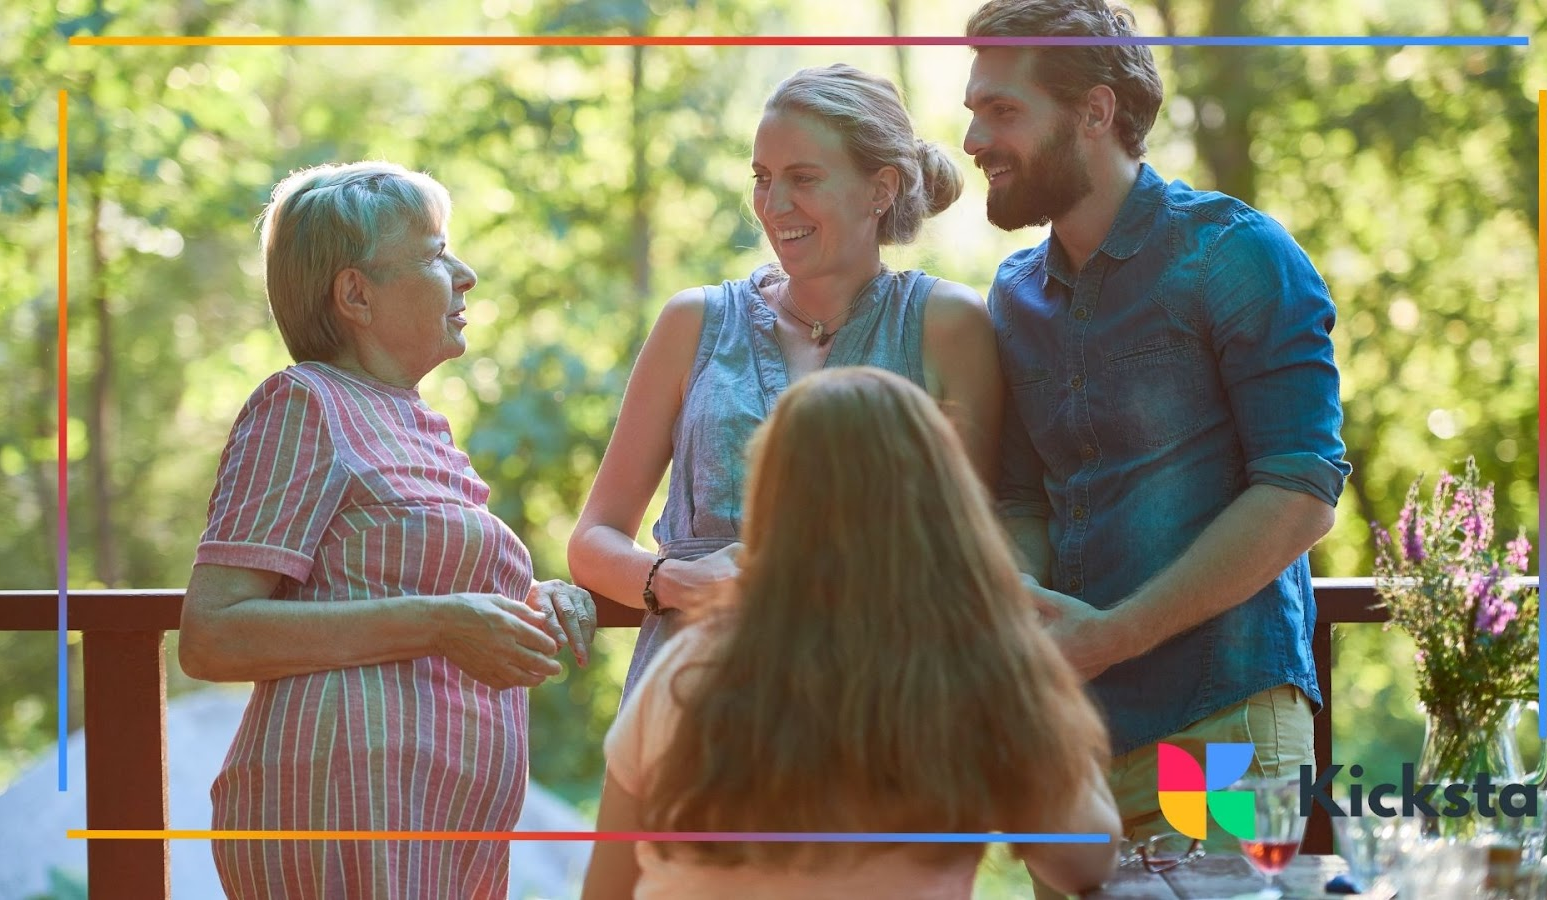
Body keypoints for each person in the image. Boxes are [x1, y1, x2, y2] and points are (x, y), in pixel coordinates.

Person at [962, 0, 1352, 876]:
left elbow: (1300, 491)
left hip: (1220, 730)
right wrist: (1026, 612)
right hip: (1070, 749)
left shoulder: (1237, 254)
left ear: (1095, 112)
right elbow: (1022, 495)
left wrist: (1114, 634)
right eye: (974, 110)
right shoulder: (1014, 294)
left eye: (1003, 110)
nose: (976, 136)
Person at [179, 161, 597, 899]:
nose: (464, 275)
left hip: (437, 831)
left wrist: (537, 595)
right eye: (437, 255)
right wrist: (436, 624)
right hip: (345, 819)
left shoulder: (412, 422)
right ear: (355, 294)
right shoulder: (303, 404)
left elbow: (406, 578)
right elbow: (213, 633)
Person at [580, 366, 1120, 899]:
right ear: (942, 505)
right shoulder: (980, 668)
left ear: (774, 504)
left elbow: (605, 892)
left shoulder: (688, 665)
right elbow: (1086, 857)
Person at [568, 65, 1001, 721]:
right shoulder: (694, 323)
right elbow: (593, 538)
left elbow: (975, 548)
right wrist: (674, 580)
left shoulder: (948, 326)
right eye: (763, 179)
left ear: (880, 189)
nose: (773, 205)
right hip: (691, 712)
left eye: (803, 179)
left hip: (879, 717)